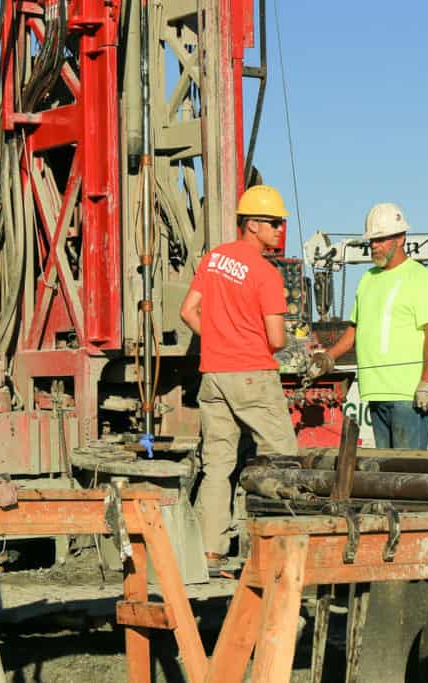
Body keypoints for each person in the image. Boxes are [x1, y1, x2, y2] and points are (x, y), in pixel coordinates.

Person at [179, 185, 298, 567]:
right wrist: (249, 342)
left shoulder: (213, 260)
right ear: (253, 225)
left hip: (213, 375)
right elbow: (277, 339)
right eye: (275, 223)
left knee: (217, 466)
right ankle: (280, 550)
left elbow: (187, 311)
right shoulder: (266, 275)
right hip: (253, 375)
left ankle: (209, 552)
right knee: (283, 460)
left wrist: (218, 338)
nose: (280, 230)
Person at [308, 202, 428, 449]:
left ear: (401, 238)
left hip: (407, 395)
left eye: (380, 240)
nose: (374, 246)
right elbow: (355, 329)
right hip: (375, 392)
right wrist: (328, 357)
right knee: (385, 475)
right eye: (371, 241)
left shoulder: (420, 278)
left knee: (406, 474)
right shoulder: (368, 279)